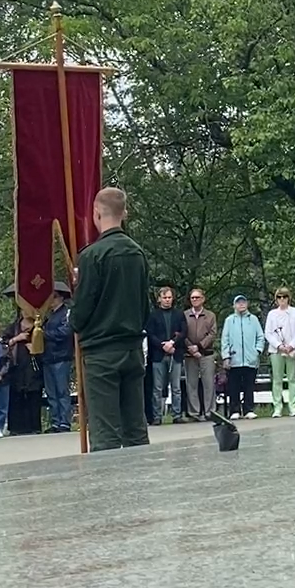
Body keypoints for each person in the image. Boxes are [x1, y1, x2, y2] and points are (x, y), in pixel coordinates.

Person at [70, 187, 152, 451]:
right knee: (136, 431)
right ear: (124, 213)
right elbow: (144, 307)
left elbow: (82, 310)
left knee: (105, 434)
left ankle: (108, 490)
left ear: (96, 213)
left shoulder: (92, 256)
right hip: (132, 348)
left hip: (101, 353)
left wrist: (75, 309)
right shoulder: (137, 253)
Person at [145, 287, 187, 425]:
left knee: (176, 387)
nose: (167, 300)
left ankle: (177, 414)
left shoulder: (179, 314)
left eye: (169, 297)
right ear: (159, 299)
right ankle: (157, 416)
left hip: (175, 354)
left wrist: (173, 343)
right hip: (158, 355)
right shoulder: (153, 315)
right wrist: (163, 345)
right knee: (157, 387)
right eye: (164, 297)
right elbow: (150, 334)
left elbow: (184, 331)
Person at [258, 289, 295, 418]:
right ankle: (278, 407)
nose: (282, 299)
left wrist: (291, 345)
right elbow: (268, 333)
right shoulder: (272, 314)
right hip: (276, 350)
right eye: (279, 297)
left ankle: (293, 407)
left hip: (292, 350)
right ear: (276, 299)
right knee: (277, 379)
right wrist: (279, 346)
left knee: (292, 379)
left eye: (284, 297)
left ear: (289, 298)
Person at [220, 295, 264, 420]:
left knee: (249, 386)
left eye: (243, 302)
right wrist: (226, 356)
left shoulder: (253, 319)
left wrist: (257, 351)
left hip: (251, 359)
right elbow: (225, 339)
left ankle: (248, 409)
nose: (241, 305)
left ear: (247, 304)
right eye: (238, 303)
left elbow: (260, 336)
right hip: (234, 359)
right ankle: (234, 410)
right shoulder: (229, 320)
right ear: (234, 305)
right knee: (234, 386)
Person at [5, 301, 42, 436]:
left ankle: (34, 426)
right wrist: (17, 338)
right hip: (17, 365)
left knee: (34, 393)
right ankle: (16, 427)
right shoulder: (14, 327)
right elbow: (4, 343)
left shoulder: (39, 325)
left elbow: (46, 344)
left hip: (34, 364)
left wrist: (35, 348)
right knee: (16, 394)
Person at [41, 285, 75, 432]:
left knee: (62, 391)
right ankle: (55, 421)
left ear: (60, 297)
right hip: (48, 357)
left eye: (53, 297)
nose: (51, 300)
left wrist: (45, 334)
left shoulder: (66, 313)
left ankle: (64, 422)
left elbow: (65, 332)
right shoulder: (48, 315)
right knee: (51, 392)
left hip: (61, 356)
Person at [182, 289, 217, 420]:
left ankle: (210, 412)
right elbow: (181, 333)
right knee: (191, 384)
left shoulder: (210, 315)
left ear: (203, 299)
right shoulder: (184, 315)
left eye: (197, 297)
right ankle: (194, 413)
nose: (195, 300)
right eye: (192, 298)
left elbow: (213, 334)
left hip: (206, 354)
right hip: (189, 354)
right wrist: (190, 347)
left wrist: (200, 346)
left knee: (209, 384)